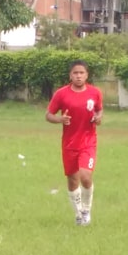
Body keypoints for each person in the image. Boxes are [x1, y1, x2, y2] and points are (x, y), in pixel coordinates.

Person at [46, 60, 103, 226]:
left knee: (85, 176)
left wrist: (98, 118)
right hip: (69, 143)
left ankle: (86, 210)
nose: (78, 76)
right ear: (70, 75)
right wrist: (60, 119)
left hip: (88, 141)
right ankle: (78, 214)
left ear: (87, 75)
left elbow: (99, 110)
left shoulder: (95, 93)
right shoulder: (61, 94)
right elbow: (48, 115)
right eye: (75, 73)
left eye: (82, 73)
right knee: (72, 181)